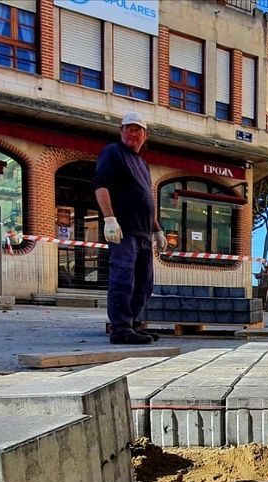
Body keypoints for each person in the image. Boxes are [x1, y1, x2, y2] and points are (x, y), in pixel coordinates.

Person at [94, 112, 166, 345]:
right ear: (121, 131)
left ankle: (133, 323)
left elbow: (147, 199)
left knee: (144, 282)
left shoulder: (142, 164)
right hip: (124, 231)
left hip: (144, 233)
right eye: (128, 129)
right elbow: (101, 186)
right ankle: (121, 329)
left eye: (137, 130)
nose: (132, 134)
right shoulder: (113, 153)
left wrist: (157, 229)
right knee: (123, 279)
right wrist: (109, 219)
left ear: (145, 135)